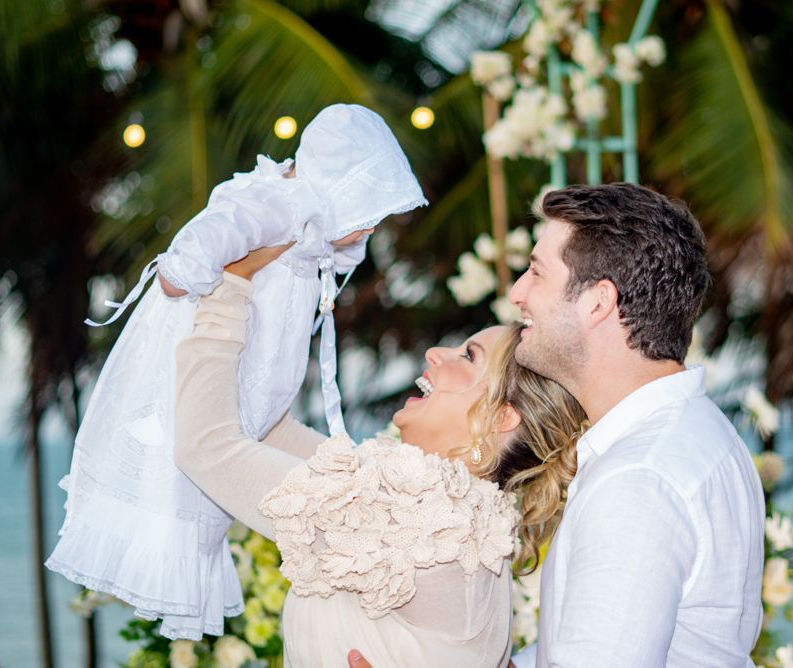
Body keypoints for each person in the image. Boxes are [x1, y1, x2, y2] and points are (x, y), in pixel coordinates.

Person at [46, 104, 428, 640]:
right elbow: (200, 248)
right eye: (367, 208)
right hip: (217, 349)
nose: (369, 226)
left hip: (252, 383)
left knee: (218, 466)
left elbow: (336, 258)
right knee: (185, 463)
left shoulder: (310, 219)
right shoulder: (277, 203)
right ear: (335, 183)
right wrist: (189, 274)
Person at [348, 183, 766, 668]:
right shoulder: (694, 433)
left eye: (536, 272)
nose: (517, 292)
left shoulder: (639, 480)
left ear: (597, 303)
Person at [172, 245, 588, 667]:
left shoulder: (414, 519)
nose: (435, 354)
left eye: (468, 356)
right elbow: (270, 429)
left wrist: (227, 288)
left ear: (500, 417)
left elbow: (204, 446)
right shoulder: (443, 511)